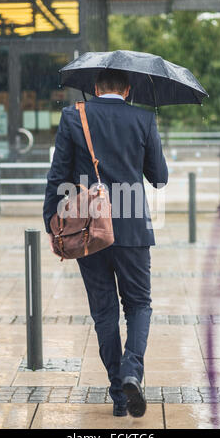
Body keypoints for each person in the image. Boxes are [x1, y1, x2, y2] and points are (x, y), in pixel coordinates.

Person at [43, 69, 168, 418]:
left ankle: (118, 394)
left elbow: (58, 177)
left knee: (104, 312)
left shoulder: (74, 116)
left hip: (88, 231)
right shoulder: (144, 118)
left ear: (95, 88)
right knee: (139, 305)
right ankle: (132, 370)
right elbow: (159, 177)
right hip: (132, 231)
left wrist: (51, 225)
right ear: (128, 90)